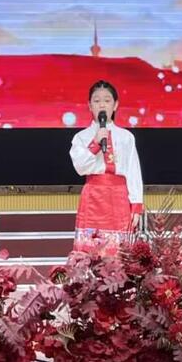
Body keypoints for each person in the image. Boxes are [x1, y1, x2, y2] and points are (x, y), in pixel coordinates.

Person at [70, 80, 143, 249]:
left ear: (115, 105)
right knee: (90, 251)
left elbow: (133, 171)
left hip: (119, 197)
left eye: (107, 100)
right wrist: (95, 143)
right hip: (93, 196)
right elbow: (80, 167)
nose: (102, 105)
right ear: (89, 106)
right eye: (96, 101)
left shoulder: (126, 137)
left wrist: (136, 204)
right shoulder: (81, 137)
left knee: (119, 251)